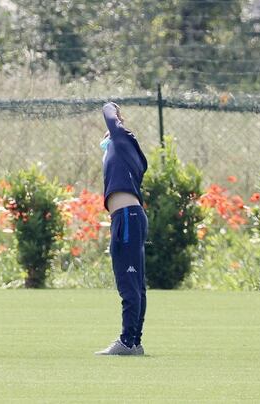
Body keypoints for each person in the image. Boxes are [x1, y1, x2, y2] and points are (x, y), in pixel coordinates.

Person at [95, 102, 148, 356]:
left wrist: (111, 106)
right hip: (128, 217)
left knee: (129, 282)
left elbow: (108, 114)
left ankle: (127, 341)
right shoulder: (125, 152)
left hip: (127, 217)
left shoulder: (122, 137)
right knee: (136, 282)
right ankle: (134, 341)